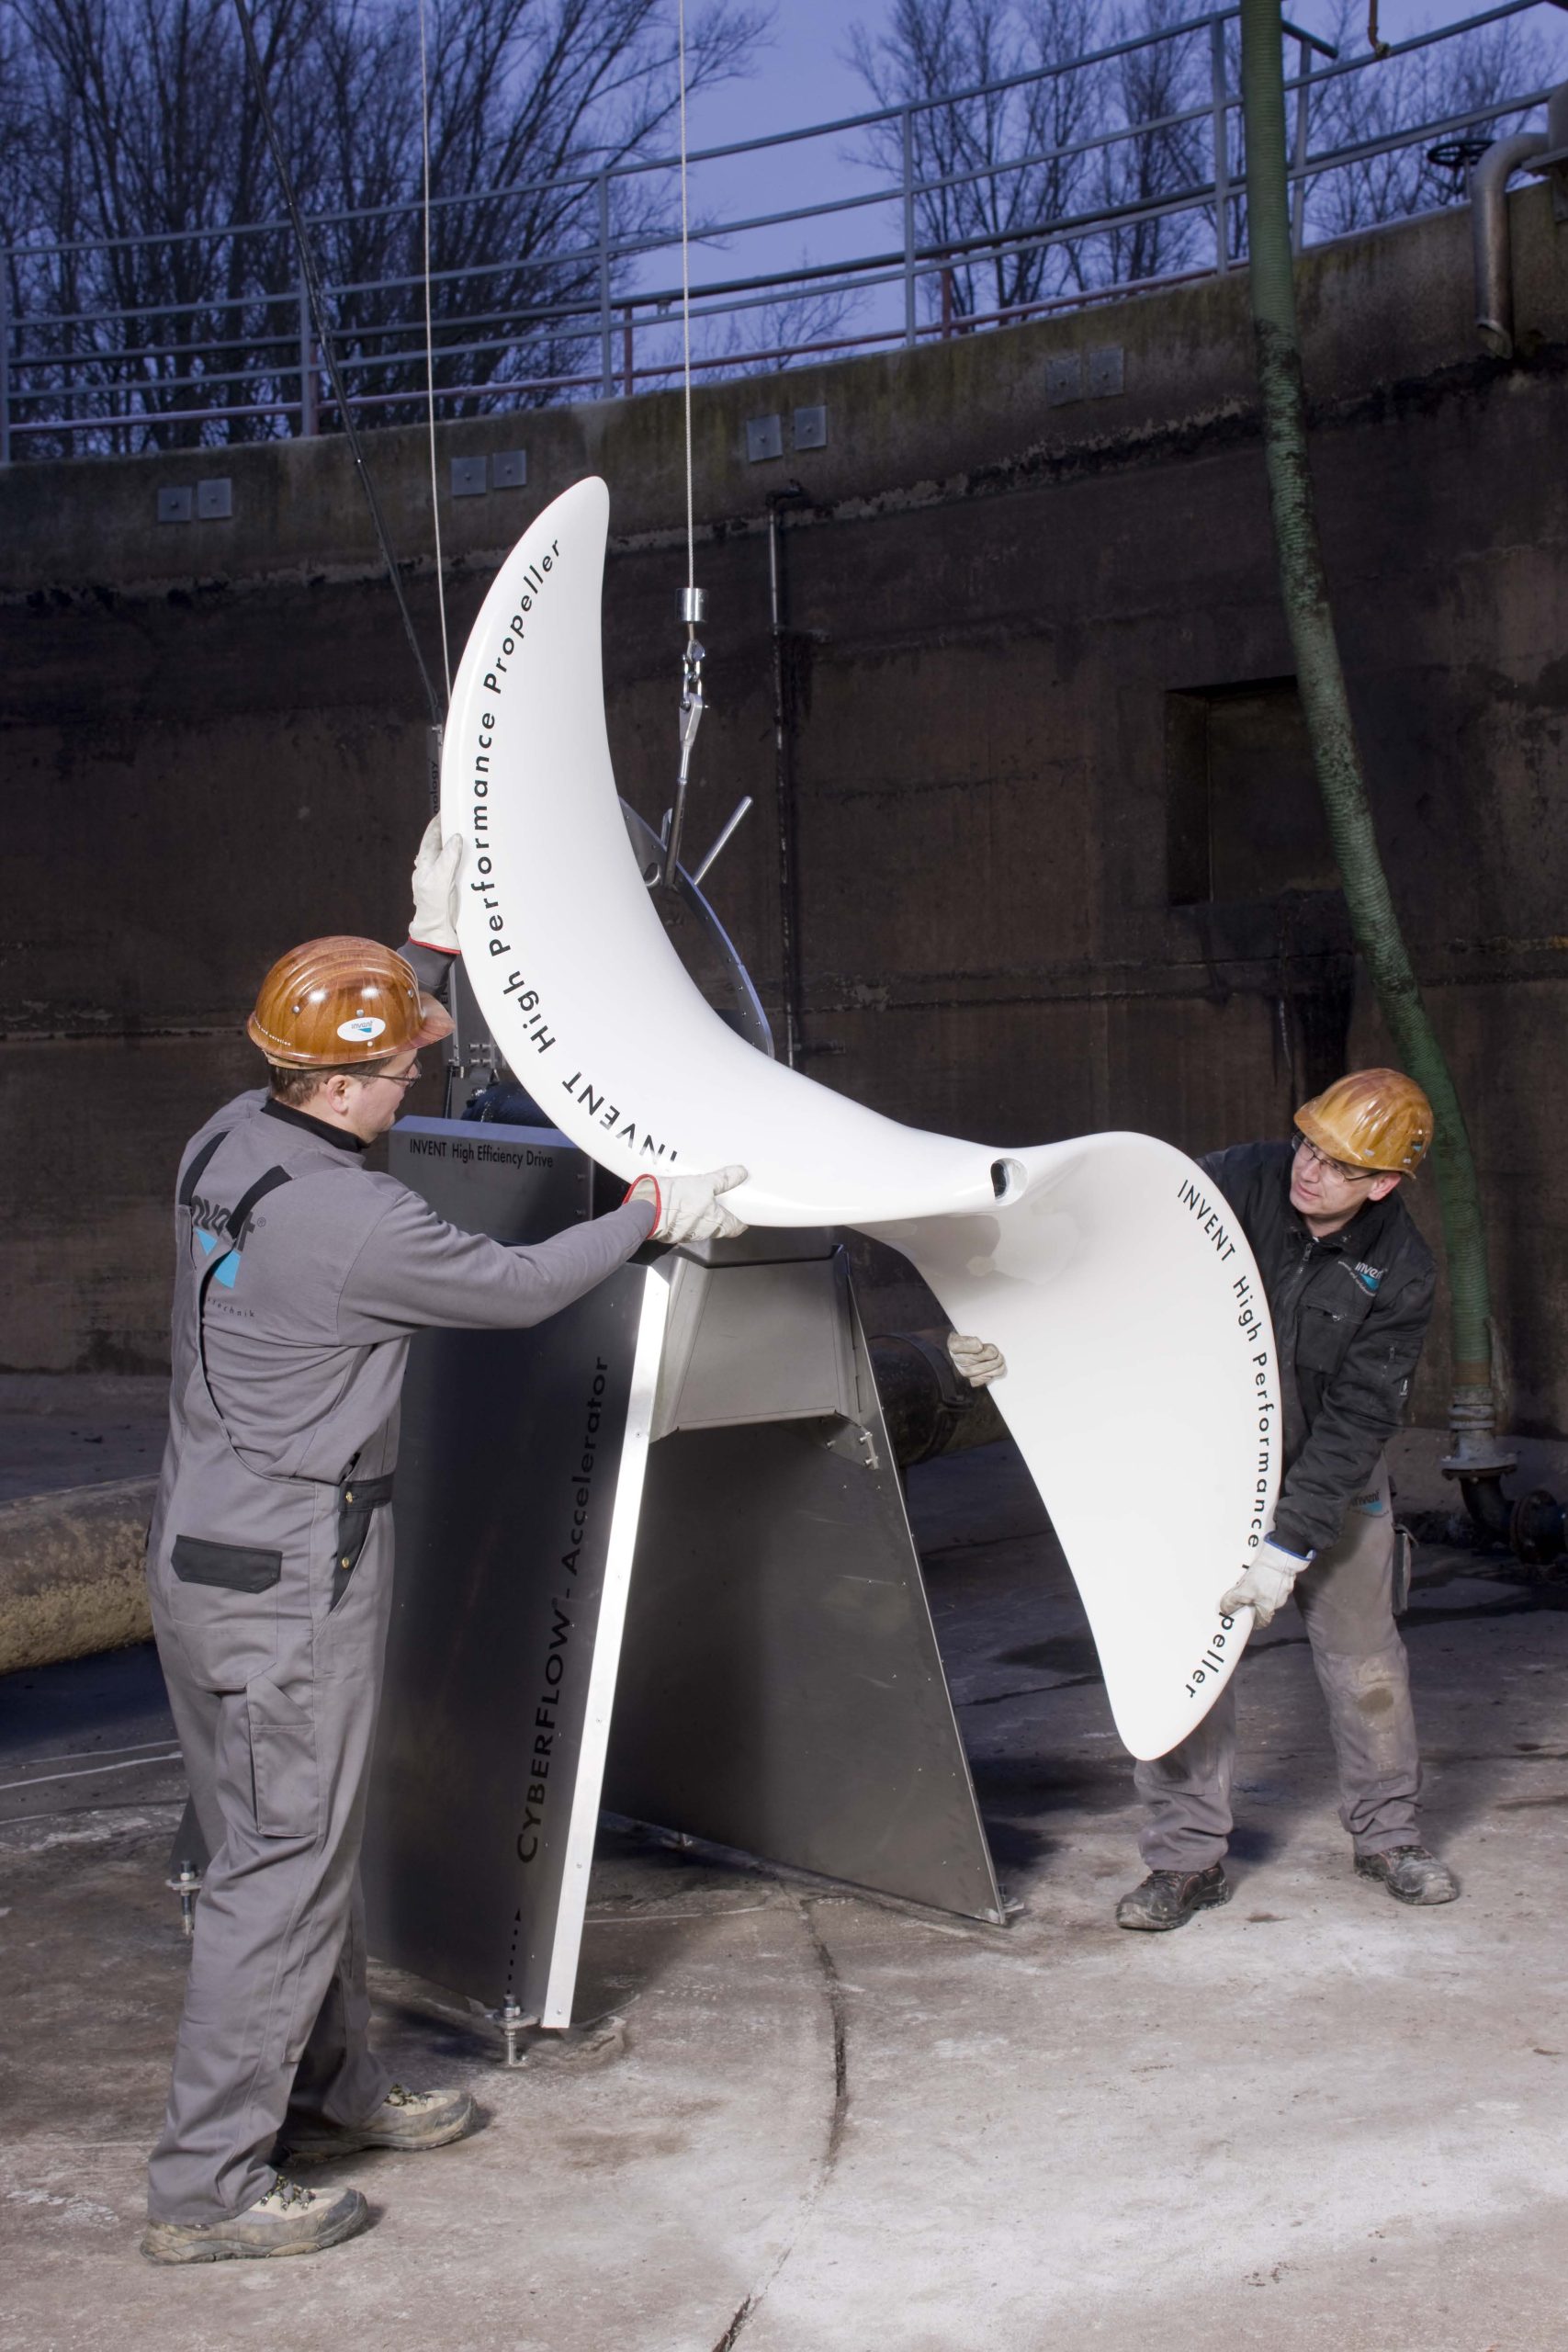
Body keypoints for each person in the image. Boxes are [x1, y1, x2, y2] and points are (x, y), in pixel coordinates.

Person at [141, 821, 748, 2264]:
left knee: (279, 1855)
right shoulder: (359, 1226)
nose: (417, 1073)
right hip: (295, 1578)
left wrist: (429, 950)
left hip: (204, 1552)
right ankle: (206, 2191)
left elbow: (354, 1048)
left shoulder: (226, 1139)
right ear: (341, 1087)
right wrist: (656, 1212)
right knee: (278, 1879)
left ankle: (334, 2091)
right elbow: (528, 1282)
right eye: (402, 1062)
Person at [1117, 1069, 1460, 1933]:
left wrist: (1288, 1543)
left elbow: (1358, 1418)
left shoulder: (1402, 1271)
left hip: (1330, 1479)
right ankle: (1184, 1861)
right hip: (1208, 1469)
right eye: (1309, 1145)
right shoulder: (1234, 1181)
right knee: (1189, 1662)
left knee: (1363, 1660)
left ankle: (1388, 1836)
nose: (1310, 1169)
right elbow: (1111, 1249)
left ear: (1381, 1183)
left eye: (1340, 1165)